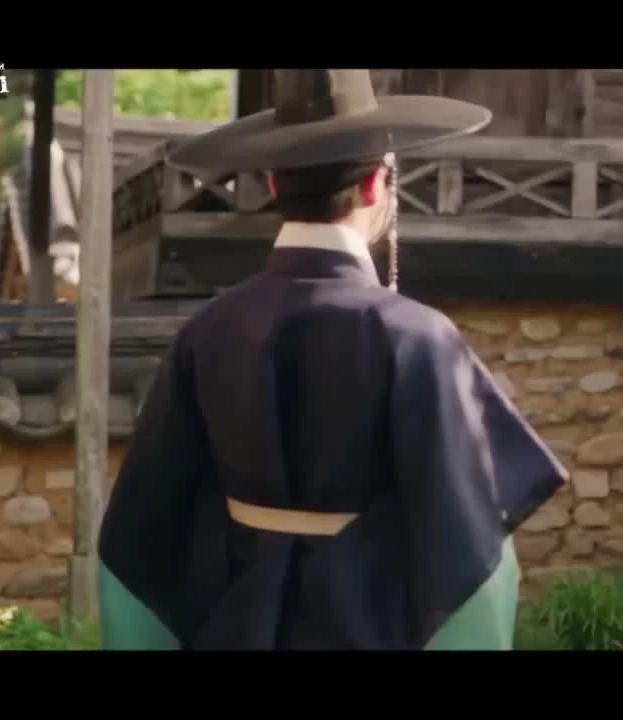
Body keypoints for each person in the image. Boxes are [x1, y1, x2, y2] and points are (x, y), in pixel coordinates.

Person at [95, 69, 567, 650]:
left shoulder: (206, 331)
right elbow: (473, 554)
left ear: (274, 184)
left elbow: (137, 539)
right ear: (375, 186)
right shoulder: (416, 337)